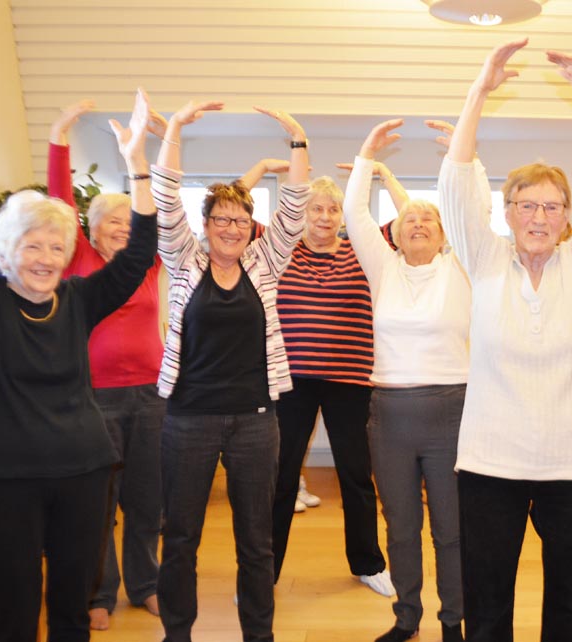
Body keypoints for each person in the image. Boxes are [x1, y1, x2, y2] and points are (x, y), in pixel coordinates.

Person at [0, 60, 158, 642]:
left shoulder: (79, 298)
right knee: (14, 607)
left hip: (81, 470)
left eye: (57, 245)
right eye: (32, 243)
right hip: (5, 475)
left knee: (70, 608)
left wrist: (137, 167)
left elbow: (136, 257)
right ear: (8, 249)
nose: (45, 256)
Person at [439, 39, 572, 641]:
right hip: (489, 462)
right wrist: (479, 90)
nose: (540, 217)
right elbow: (453, 184)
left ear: (568, 215)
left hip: (569, 465)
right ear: (507, 210)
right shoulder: (485, 257)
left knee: (571, 605)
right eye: (527, 205)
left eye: (553, 206)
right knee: (488, 601)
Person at [150, 100, 310, 642]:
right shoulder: (183, 259)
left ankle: (258, 635)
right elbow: (164, 198)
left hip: (255, 420)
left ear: (250, 226)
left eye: (240, 220)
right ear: (205, 224)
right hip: (188, 419)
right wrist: (172, 128)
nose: (231, 228)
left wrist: (297, 139)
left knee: (256, 540)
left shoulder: (266, 262)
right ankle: (178, 634)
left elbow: (294, 206)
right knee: (180, 537)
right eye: (220, 219)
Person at [237, 158, 393, 596]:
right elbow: (235, 211)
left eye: (332, 210)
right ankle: (261, 574)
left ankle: (367, 563)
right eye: (315, 209)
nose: (324, 217)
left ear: (343, 216)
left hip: (350, 382)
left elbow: (418, 222)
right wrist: (263, 168)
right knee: (281, 477)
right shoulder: (279, 249)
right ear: (301, 213)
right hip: (290, 383)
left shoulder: (364, 250)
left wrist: (384, 175)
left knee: (356, 476)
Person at [345, 119, 471, 642]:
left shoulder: (461, 268)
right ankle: (407, 619)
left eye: (428, 219)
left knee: (450, 530)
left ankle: (452, 621)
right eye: (408, 218)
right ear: (394, 231)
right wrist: (366, 156)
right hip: (390, 415)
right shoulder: (384, 269)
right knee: (400, 527)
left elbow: (469, 212)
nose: (418, 223)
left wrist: (462, 152)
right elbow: (354, 213)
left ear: (444, 234)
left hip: (451, 412)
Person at [47, 99, 166, 629]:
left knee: (147, 500)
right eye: (110, 221)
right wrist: (59, 136)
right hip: (93, 399)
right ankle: (100, 594)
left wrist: (160, 145)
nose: (123, 227)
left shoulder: (147, 263)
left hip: (150, 395)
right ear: (89, 231)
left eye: (128, 221)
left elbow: (157, 205)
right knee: (98, 503)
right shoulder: (79, 261)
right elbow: (59, 199)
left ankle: (146, 585)